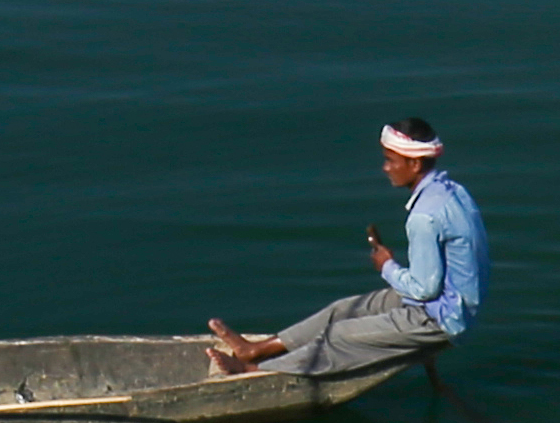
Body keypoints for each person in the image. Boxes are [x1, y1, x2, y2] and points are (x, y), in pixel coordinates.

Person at [204, 117, 484, 383]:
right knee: (344, 309)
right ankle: (257, 349)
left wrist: (386, 266)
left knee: (340, 335)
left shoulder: (424, 217)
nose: (385, 168)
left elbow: (424, 289)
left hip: (439, 318)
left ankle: (253, 369)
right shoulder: (453, 191)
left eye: (390, 160)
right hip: (446, 304)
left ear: (413, 163)